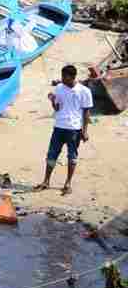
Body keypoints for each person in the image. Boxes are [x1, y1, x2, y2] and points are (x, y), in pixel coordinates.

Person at [39, 64, 93, 195]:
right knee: (52, 154)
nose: (62, 79)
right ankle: (46, 181)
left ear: (72, 77)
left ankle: (68, 183)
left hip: (74, 129)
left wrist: (84, 131)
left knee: (72, 156)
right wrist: (52, 100)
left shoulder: (84, 91)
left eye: (64, 76)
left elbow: (86, 113)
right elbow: (57, 108)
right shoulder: (59, 88)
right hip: (59, 127)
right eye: (62, 76)